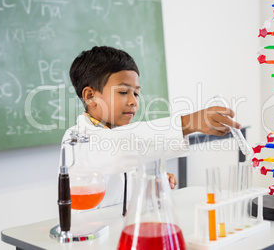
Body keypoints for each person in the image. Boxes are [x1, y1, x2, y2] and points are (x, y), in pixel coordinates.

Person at [63, 46, 241, 208]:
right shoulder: (76, 139)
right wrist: (188, 122)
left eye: (136, 93)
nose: (133, 101)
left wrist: (149, 184)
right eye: (124, 92)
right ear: (90, 96)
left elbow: (125, 172)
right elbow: (117, 149)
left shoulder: (123, 133)